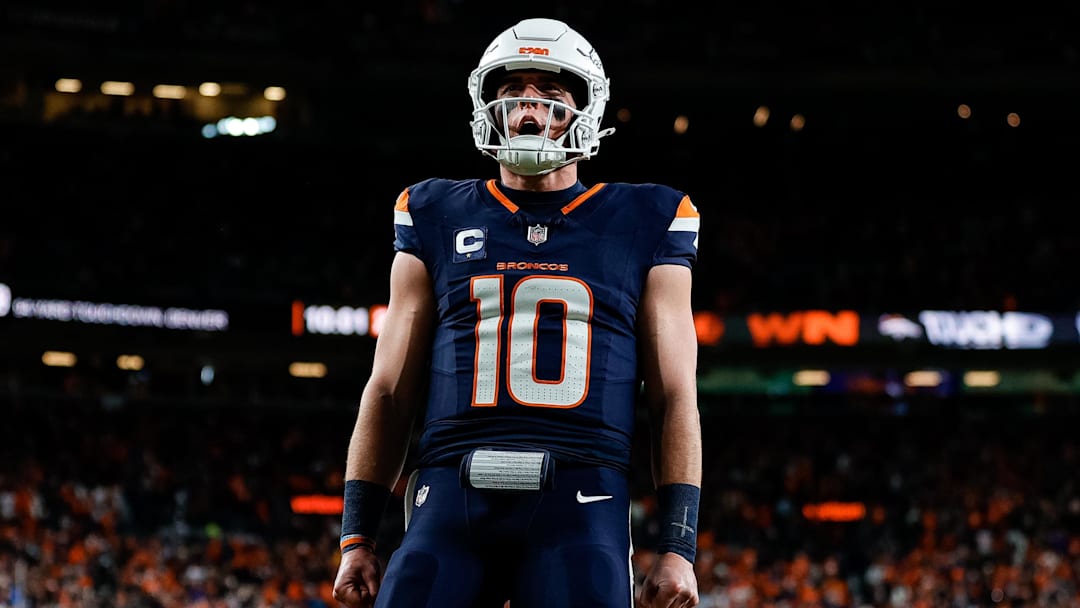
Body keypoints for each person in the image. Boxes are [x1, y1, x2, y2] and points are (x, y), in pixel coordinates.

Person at [332, 16, 702, 608]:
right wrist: (357, 535)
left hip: (582, 496)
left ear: (587, 108)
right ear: (487, 106)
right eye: (512, 95)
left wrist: (679, 545)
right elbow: (388, 390)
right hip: (449, 493)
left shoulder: (648, 217)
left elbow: (675, 394)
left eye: (551, 97)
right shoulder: (431, 210)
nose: (529, 112)